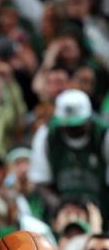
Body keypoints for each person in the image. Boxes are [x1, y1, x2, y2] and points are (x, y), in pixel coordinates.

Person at [30, 89, 109, 222]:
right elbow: (41, 182)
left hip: (101, 211)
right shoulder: (46, 135)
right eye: (68, 125)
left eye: (78, 124)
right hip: (62, 211)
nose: (73, 129)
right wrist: (62, 207)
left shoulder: (104, 135)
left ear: (89, 119)